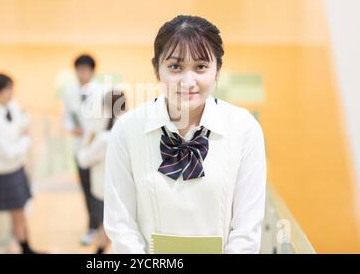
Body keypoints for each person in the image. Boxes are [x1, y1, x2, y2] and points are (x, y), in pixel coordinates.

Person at [104, 15, 267, 254]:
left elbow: (247, 230)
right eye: (175, 67)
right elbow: (120, 223)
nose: (188, 81)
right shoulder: (127, 129)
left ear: (217, 70)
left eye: (201, 67)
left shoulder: (244, 129)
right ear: (157, 69)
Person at [0, 73, 38, 254]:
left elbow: (21, 123)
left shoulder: (12, 105)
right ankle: (25, 249)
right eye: (8, 89)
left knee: (21, 214)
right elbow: (9, 152)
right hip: (5, 172)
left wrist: (22, 136)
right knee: (18, 215)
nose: (12, 93)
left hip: (17, 168)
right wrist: (26, 140)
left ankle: (25, 247)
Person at [62, 54, 105, 246]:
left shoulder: (101, 91)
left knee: (99, 191)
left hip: (97, 150)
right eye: (79, 70)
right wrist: (72, 128)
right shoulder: (69, 91)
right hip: (80, 149)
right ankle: (91, 227)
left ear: (92, 71)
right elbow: (67, 116)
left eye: (86, 70)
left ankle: (101, 227)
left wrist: (89, 133)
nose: (82, 74)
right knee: (86, 190)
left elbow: (102, 121)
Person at [77, 90, 126, 254]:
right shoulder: (125, 131)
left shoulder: (104, 138)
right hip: (122, 191)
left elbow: (83, 160)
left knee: (106, 230)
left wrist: (88, 140)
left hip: (104, 192)